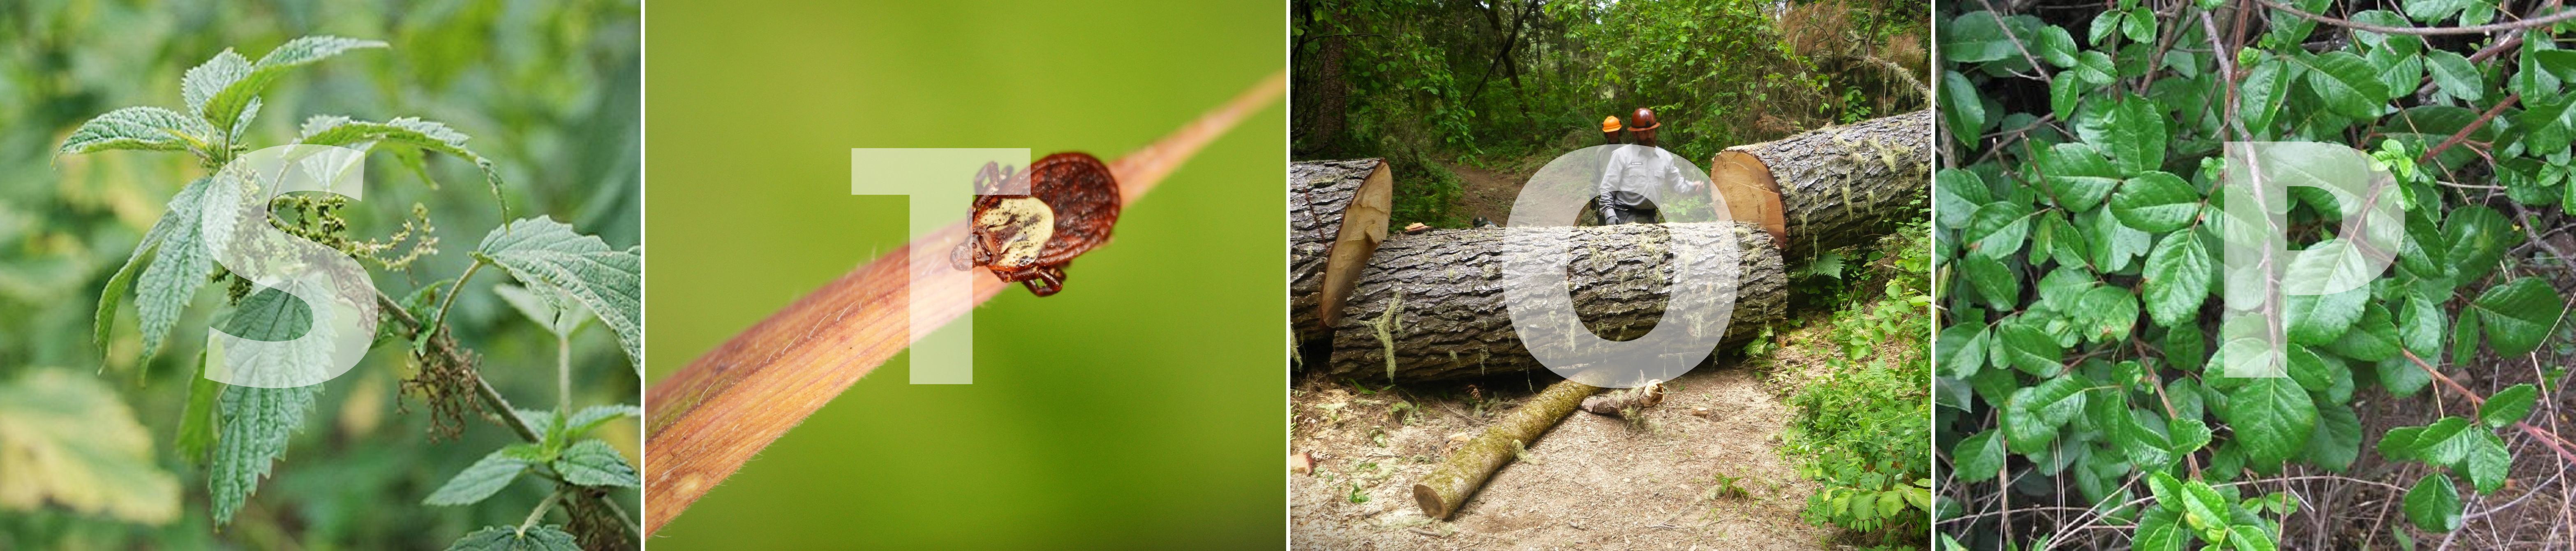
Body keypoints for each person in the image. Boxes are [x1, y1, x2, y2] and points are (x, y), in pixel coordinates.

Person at [1593, 108, 1704, 225]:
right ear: (1635, 134)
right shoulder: (1622, 155)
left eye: (1652, 131)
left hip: (1651, 218)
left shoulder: (1664, 157)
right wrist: (1610, 216)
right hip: (1623, 217)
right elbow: (1607, 189)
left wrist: (1693, 187)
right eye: (1644, 133)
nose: (1649, 136)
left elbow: (1677, 184)